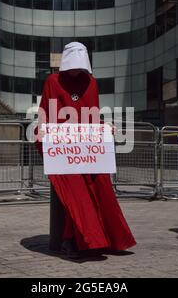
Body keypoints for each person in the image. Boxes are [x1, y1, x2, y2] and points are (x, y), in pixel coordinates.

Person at [35, 42, 136, 256]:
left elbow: (92, 113)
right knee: (76, 192)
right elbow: (46, 110)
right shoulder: (52, 81)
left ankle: (109, 239)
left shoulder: (91, 83)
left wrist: (103, 126)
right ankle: (72, 239)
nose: (75, 70)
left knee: (102, 186)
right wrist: (43, 129)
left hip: (87, 148)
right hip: (64, 148)